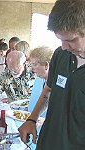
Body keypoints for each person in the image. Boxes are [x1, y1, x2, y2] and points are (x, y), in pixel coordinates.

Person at [19, 1, 85, 150]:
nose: (64, 46)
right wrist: (32, 119)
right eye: (60, 40)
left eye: (71, 40)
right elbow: (48, 90)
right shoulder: (60, 55)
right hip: (46, 142)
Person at [28, 46, 54, 117]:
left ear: (46, 65)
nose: (32, 68)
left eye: (35, 64)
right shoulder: (38, 80)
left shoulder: (56, 85)